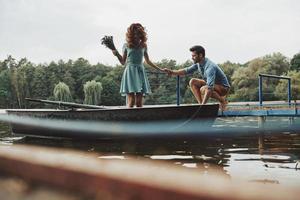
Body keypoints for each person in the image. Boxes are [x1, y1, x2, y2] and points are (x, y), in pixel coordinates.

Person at [105, 23, 165, 107]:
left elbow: (148, 61)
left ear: (141, 34)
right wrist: (116, 54)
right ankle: (129, 119)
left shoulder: (144, 45)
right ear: (131, 34)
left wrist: (160, 69)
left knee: (139, 102)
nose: (136, 35)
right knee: (132, 101)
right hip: (130, 72)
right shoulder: (126, 45)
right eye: (135, 33)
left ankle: (139, 119)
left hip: (140, 71)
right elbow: (123, 62)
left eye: (138, 33)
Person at [164, 45, 230, 110]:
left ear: (200, 55)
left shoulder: (210, 67)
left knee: (204, 89)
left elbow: (210, 88)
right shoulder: (199, 63)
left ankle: (221, 101)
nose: (192, 58)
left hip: (223, 88)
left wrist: (203, 106)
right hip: (212, 85)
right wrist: (172, 72)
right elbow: (186, 71)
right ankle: (200, 104)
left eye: (194, 56)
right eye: (192, 56)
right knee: (193, 81)